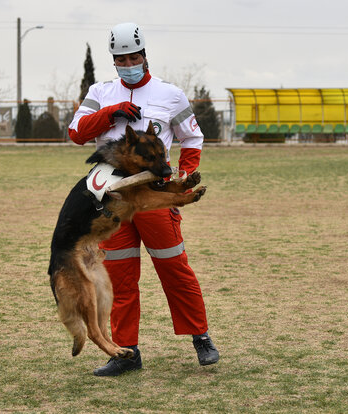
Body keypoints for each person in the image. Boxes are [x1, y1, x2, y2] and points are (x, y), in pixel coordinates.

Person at [68, 22, 219, 376]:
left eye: (134, 56)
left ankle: (201, 337)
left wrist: (185, 173)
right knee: (120, 277)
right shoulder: (99, 92)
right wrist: (111, 112)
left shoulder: (170, 94)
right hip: (113, 199)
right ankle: (127, 353)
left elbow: (192, 138)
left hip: (154, 196)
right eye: (122, 59)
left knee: (174, 268)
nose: (129, 63)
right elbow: (77, 133)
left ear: (145, 56)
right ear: (114, 61)